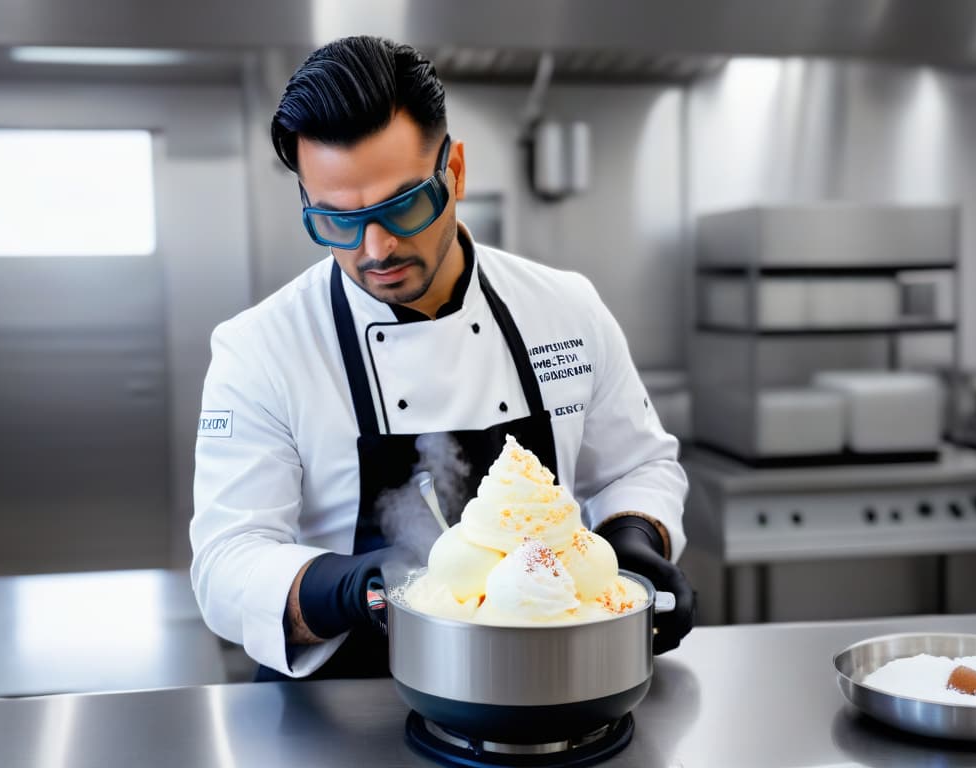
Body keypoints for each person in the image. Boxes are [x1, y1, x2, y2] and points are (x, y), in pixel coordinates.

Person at [191, 35, 694, 681]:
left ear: (454, 171)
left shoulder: (565, 307)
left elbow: (637, 466)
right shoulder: (261, 348)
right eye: (336, 220)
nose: (374, 249)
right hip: (348, 702)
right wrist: (352, 588)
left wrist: (635, 539)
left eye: (401, 206)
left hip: (552, 676)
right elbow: (226, 563)